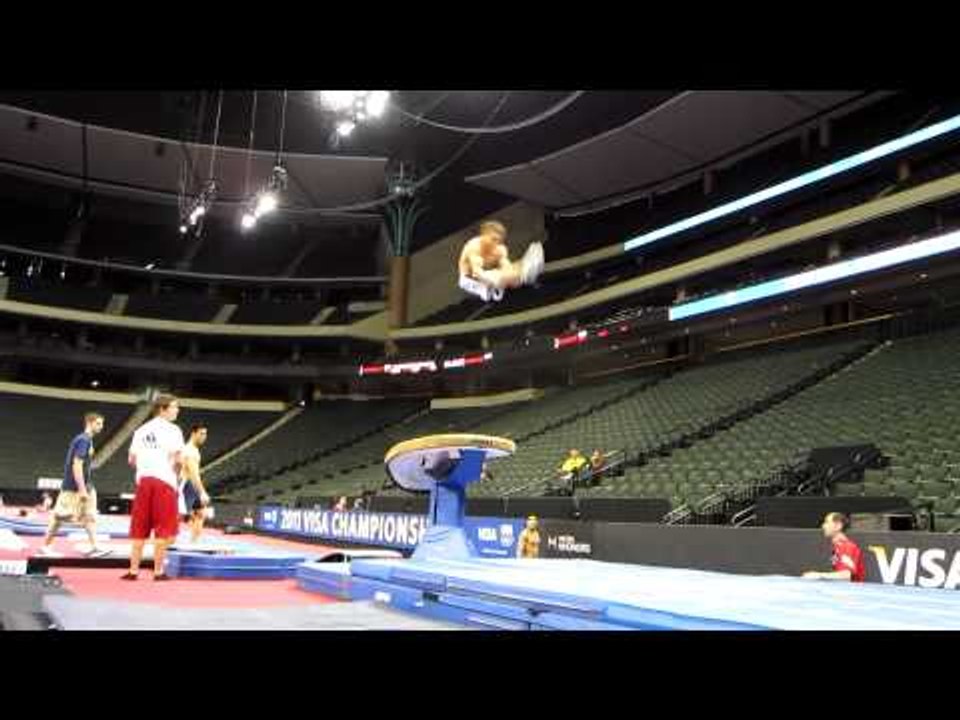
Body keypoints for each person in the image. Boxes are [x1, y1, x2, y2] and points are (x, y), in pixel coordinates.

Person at [123, 394, 185, 581]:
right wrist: (174, 472)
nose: (177, 410)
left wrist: (146, 465)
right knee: (163, 529)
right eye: (174, 407)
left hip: (144, 482)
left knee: (139, 527)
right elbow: (178, 459)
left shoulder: (141, 430)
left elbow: (131, 460)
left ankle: (133, 571)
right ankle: (158, 572)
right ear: (162, 409)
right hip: (164, 482)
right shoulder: (174, 430)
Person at [38, 413, 110, 559]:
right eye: (98, 423)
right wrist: (82, 490)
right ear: (89, 423)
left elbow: (85, 467)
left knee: (89, 516)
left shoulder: (87, 440)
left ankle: (95, 546)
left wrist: (87, 488)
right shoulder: (83, 440)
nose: (101, 427)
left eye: (102, 424)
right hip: (73, 487)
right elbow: (76, 466)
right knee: (60, 517)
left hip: (87, 485)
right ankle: (45, 546)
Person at [457, 220, 545, 302]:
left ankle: (523, 275)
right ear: (484, 235)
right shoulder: (474, 247)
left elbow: (506, 266)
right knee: (499, 277)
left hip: (489, 276)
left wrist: (512, 272)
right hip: (470, 281)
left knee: (513, 270)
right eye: (493, 239)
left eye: (499, 241)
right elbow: (477, 274)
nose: (496, 243)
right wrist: (499, 280)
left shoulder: (499, 249)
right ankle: (522, 276)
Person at [802, 512, 866, 582]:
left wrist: (819, 575)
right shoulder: (837, 547)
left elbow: (846, 576)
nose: (823, 526)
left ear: (838, 526)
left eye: (827, 522)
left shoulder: (847, 547)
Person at [179, 424, 211, 544]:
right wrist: (202, 492)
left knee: (200, 513)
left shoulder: (193, 449)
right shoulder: (190, 450)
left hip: (190, 484)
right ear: (193, 433)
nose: (204, 437)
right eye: (201, 434)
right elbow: (193, 473)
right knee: (182, 516)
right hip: (187, 484)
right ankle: (166, 541)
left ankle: (194, 543)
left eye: (205, 434)